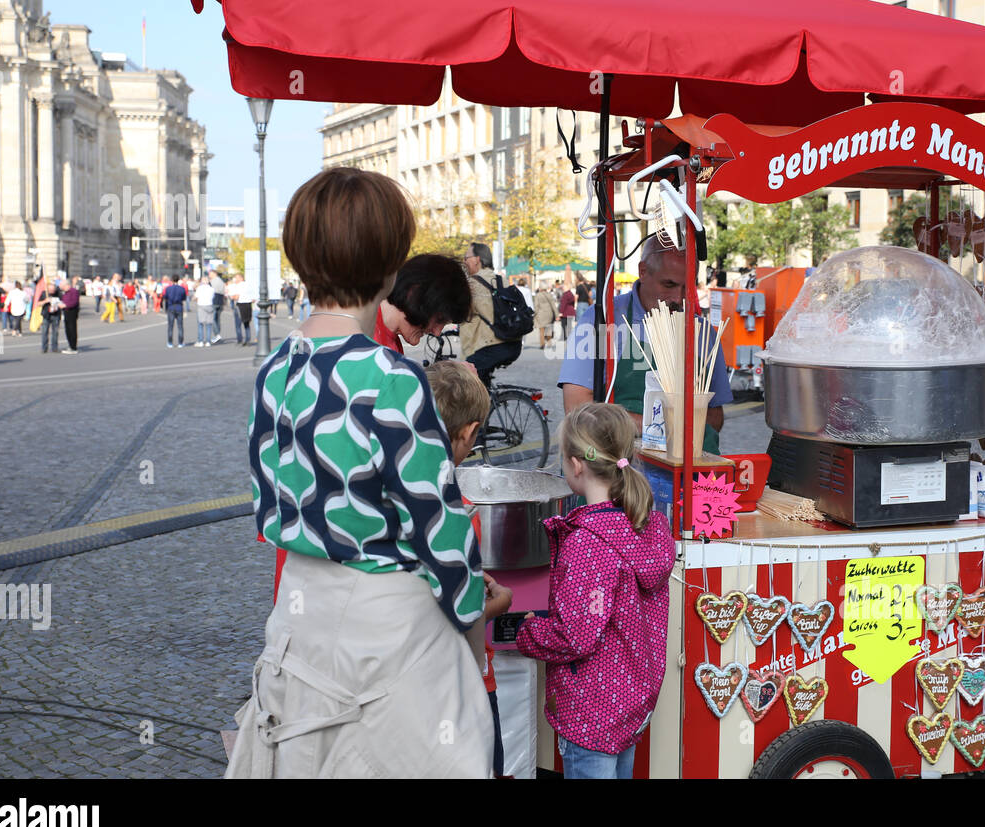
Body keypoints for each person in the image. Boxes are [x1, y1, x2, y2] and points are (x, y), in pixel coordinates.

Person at [226, 166, 492, 779]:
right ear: (390, 265)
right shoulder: (390, 378)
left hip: (299, 617)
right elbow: (438, 525)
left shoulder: (275, 367)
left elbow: (269, 497)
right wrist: (473, 611)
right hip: (385, 630)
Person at [515, 402, 675, 779]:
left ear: (575, 466)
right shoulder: (648, 525)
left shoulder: (588, 544)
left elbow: (575, 636)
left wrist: (527, 630)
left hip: (591, 711)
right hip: (631, 703)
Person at [558, 237, 733, 454]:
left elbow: (715, 417)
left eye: (686, 287)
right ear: (643, 271)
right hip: (617, 469)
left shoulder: (703, 333)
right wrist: (661, 427)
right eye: (668, 284)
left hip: (687, 470)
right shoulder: (602, 319)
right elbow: (576, 408)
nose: (678, 298)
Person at [426, 359, 515, 777]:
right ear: (470, 432)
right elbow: (460, 617)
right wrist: (496, 605)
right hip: (464, 683)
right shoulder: (455, 513)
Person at [372, 253, 472, 352]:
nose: (437, 332)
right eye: (439, 319)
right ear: (415, 296)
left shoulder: (385, 339)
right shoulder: (367, 340)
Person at [460, 242, 522, 383]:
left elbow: (460, 313)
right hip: (512, 343)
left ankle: (481, 403)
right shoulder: (501, 280)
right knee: (481, 381)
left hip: (490, 346)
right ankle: (490, 402)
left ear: (477, 259)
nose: (464, 261)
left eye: (466, 257)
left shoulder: (473, 284)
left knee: (463, 377)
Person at [163, 275, 187, 348]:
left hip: (171, 306)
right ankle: (180, 342)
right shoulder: (182, 289)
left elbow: (165, 297)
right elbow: (184, 298)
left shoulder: (168, 288)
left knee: (170, 326)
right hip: (179, 306)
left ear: (172, 280)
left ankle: (170, 342)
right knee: (180, 326)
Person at [39, 279, 63, 354]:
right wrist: (45, 301)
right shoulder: (44, 293)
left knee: (55, 332)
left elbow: (63, 302)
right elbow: (38, 303)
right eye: (50, 290)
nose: (52, 291)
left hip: (56, 315)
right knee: (44, 332)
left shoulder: (58, 293)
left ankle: (54, 347)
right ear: (48, 289)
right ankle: (44, 347)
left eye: (53, 289)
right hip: (46, 315)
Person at [61, 275, 81, 354]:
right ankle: (70, 345)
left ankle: (73, 347)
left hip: (72, 312)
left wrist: (65, 305)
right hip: (66, 312)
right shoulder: (65, 292)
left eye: (62, 286)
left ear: (67, 285)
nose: (62, 287)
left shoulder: (74, 291)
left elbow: (74, 302)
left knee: (72, 329)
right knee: (67, 329)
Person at [534, 280, 558, 349]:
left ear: (540, 288)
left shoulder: (538, 295)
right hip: (549, 314)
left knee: (541, 330)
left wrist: (534, 314)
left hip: (540, 314)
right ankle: (549, 342)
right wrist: (557, 315)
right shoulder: (549, 295)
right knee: (548, 328)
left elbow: (536, 306)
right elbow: (553, 305)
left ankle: (542, 344)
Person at [232, 273, 253, 346]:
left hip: (240, 305)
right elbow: (253, 298)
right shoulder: (248, 285)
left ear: (241, 278)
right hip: (248, 304)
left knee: (238, 324)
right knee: (246, 323)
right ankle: (248, 339)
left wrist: (232, 297)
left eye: (236, 278)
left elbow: (236, 296)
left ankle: (239, 339)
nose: (235, 279)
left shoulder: (238, 286)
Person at [195, 275, 215, 346]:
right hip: (209, 305)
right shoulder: (212, 289)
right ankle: (208, 341)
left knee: (200, 324)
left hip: (201, 306)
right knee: (208, 324)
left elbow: (196, 297)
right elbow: (213, 297)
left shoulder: (199, 288)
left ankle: (200, 341)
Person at [209, 270, 226, 343]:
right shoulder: (221, 281)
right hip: (220, 301)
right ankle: (218, 334)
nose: (209, 275)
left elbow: (211, 291)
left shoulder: (213, 281)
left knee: (213, 319)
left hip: (214, 300)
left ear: (214, 274)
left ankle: (217, 335)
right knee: (218, 319)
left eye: (210, 274)